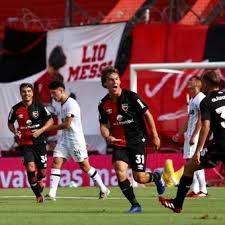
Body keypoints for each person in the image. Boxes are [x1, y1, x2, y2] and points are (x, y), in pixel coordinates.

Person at [98, 66, 165, 213]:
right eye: (111, 80)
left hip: (136, 141)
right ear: (105, 84)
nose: (114, 82)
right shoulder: (103, 104)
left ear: (120, 81)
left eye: (116, 79)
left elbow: (147, 115)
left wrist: (154, 136)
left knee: (139, 178)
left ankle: (156, 177)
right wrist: (107, 136)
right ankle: (135, 205)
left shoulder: (131, 97)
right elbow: (103, 125)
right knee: (119, 170)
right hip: (119, 143)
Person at [159, 70, 225, 213]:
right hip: (219, 144)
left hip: (220, 145)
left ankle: (177, 204)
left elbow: (205, 126)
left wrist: (198, 150)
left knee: (189, 167)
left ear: (206, 83)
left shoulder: (206, 101)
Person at [45, 81, 110, 200]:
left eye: (54, 93)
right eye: (51, 93)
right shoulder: (63, 104)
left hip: (75, 140)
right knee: (56, 162)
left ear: (61, 91)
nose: (52, 96)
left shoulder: (71, 104)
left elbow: (67, 124)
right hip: (64, 139)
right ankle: (52, 193)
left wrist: (49, 128)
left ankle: (104, 188)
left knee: (85, 166)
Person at [8, 83, 53, 203]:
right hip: (25, 143)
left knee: (43, 172)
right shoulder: (15, 109)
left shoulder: (39, 106)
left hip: (40, 143)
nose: (26, 93)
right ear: (20, 93)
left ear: (32, 93)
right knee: (30, 167)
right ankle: (38, 195)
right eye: (24, 91)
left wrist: (41, 130)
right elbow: (10, 123)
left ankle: (39, 180)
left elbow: (50, 121)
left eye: (28, 91)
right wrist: (15, 131)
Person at [172, 76, 208, 197]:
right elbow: (190, 119)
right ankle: (196, 189)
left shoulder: (201, 99)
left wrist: (194, 136)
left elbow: (200, 120)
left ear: (197, 84)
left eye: (191, 80)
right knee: (189, 161)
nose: (188, 82)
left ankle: (203, 190)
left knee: (195, 161)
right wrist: (179, 133)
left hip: (196, 135)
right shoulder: (193, 99)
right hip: (190, 134)